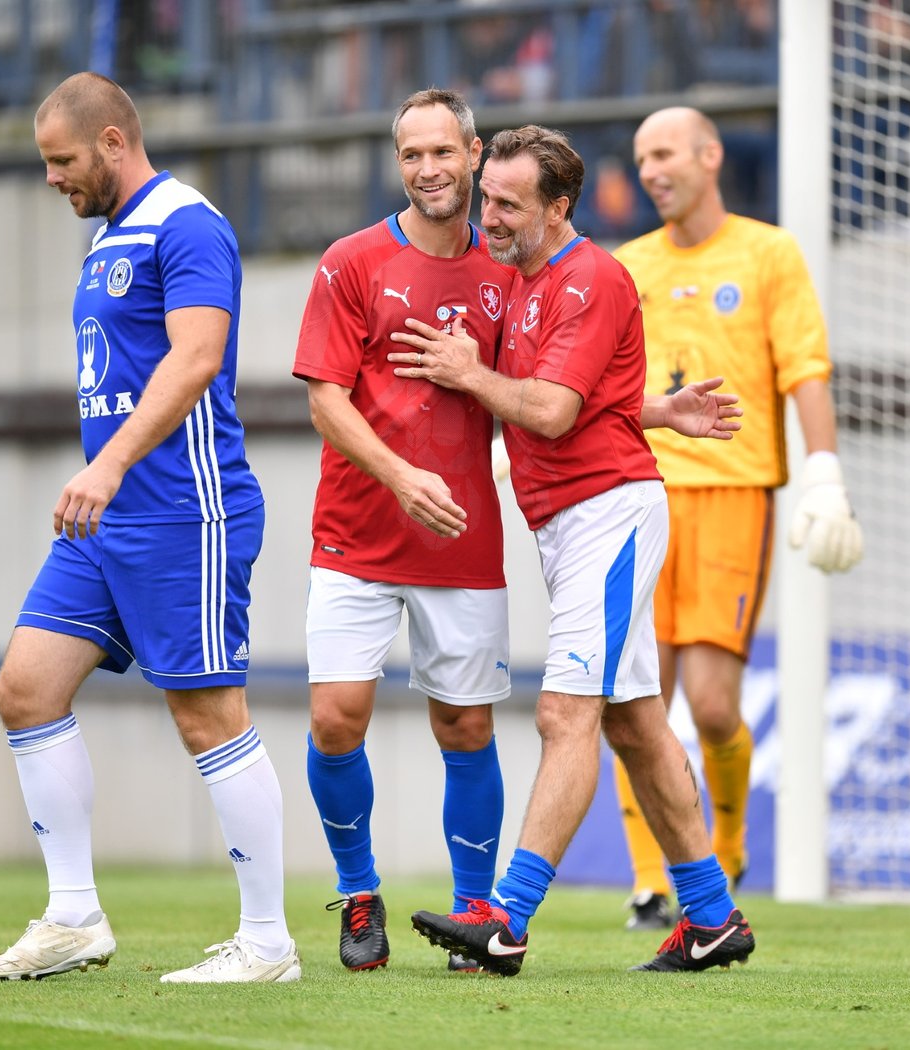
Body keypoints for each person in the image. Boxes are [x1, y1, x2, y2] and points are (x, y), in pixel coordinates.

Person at [292, 90, 742, 974]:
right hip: (549, 523)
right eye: (486, 197)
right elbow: (583, 401)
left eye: (504, 202)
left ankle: (505, 920)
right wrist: (660, 410)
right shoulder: (522, 279)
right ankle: (714, 914)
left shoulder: (588, 276)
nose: (484, 213)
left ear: (555, 205)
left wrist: (466, 370)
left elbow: (549, 407)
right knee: (636, 727)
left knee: (561, 713)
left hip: (604, 517)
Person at [0, 72, 299, 985]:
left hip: (181, 509)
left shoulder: (188, 223)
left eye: (62, 160)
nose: (51, 179)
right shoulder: (109, 237)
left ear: (113, 142)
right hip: (108, 521)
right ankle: (74, 916)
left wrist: (110, 463)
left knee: (206, 715)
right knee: (26, 689)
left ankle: (269, 942)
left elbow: (197, 359)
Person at [610, 106, 864, 931]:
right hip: (633, 494)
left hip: (732, 496)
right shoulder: (628, 264)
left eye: (666, 153)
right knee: (630, 692)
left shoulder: (768, 252)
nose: (651, 170)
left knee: (713, 706)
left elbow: (806, 372)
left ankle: (725, 844)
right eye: (642, 157)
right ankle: (653, 878)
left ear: (711, 157)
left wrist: (822, 473)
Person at [291, 87, 514, 974]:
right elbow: (324, 399)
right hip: (355, 533)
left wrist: (656, 411)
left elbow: (553, 398)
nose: (428, 170)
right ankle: (358, 896)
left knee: (466, 730)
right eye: (411, 156)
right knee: (335, 719)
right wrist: (402, 473)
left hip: (461, 541)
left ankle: (473, 918)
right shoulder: (351, 261)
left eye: (443, 153)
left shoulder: (509, 272)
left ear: (474, 153)